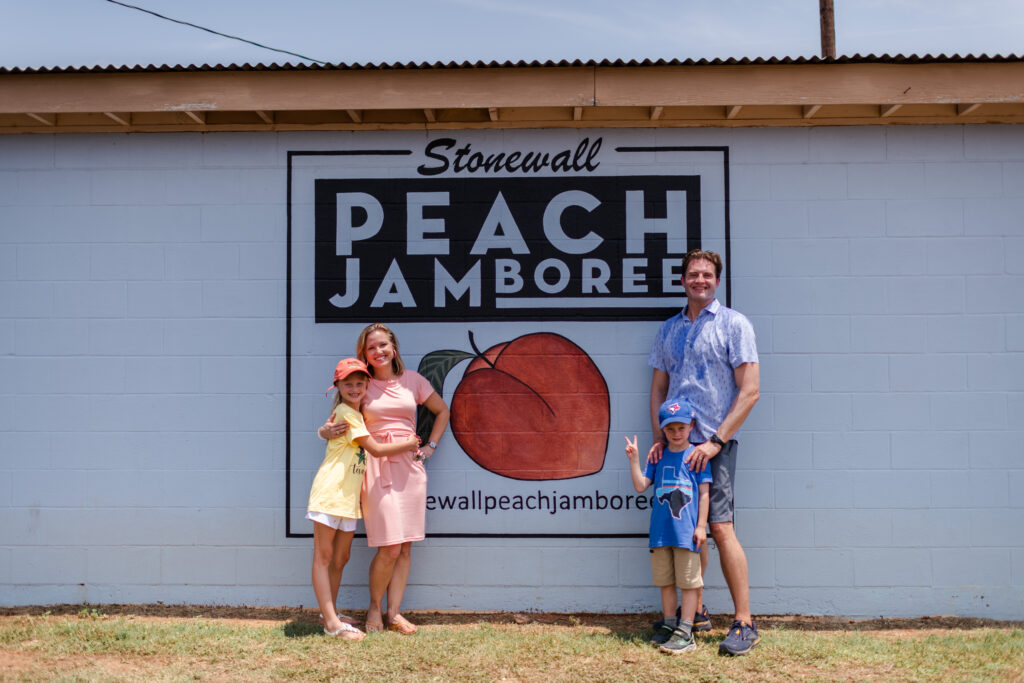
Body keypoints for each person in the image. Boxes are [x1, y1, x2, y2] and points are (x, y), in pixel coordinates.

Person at [648, 248, 761, 656]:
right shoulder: (669, 330)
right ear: (682, 281)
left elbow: (750, 391)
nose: (700, 280)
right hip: (677, 450)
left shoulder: (734, 325)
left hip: (714, 446)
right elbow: (658, 389)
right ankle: (695, 613)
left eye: (707, 275)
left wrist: (715, 441)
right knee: (685, 534)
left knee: (720, 528)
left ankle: (745, 622)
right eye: (693, 274)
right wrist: (660, 440)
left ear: (717, 281)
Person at [319, 323, 450, 635]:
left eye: (382, 345)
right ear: (364, 354)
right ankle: (375, 607)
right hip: (376, 467)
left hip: (410, 468)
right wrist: (324, 431)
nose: (378, 351)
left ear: (394, 348)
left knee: (405, 548)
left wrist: (430, 447)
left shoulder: (414, 381)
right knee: (389, 547)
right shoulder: (361, 384)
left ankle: (394, 613)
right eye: (371, 348)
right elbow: (335, 420)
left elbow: (442, 412)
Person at [307, 357, 420, 640]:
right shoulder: (346, 413)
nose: (355, 388)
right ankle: (331, 624)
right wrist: (409, 443)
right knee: (323, 557)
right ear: (337, 386)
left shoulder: (356, 416)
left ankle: (330, 613)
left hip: (348, 499)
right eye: (349, 384)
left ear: (367, 385)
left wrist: (322, 432)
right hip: (330, 493)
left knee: (341, 558)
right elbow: (376, 450)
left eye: (360, 383)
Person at [626, 396, 711, 655]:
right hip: (661, 534)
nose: (676, 433)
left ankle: (686, 631)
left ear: (691, 426)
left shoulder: (697, 456)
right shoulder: (658, 457)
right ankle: (670, 624)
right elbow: (641, 486)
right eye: (670, 428)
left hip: (686, 534)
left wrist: (701, 526)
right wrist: (634, 459)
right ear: (663, 429)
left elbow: (704, 493)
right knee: (665, 582)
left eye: (681, 427)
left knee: (689, 583)